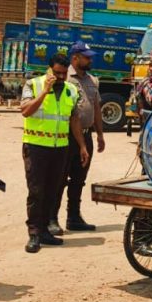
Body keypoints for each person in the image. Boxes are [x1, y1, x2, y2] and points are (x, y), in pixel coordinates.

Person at [21, 54, 89, 254]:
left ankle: (44, 231)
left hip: (60, 147)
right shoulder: (33, 85)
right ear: (48, 69)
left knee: (53, 190)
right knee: (36, 191)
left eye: (63, 73)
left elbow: (74, 119)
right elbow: (25, 111)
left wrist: (82, 146)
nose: (60, 77)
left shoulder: (71, 89)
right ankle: (33, 234)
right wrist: (44, 92)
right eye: (56, 72)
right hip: (35, 146)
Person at [51, 42, 105, 233]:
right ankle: (52, 219)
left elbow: (96, 108)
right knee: (59, 178)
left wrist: (100, 134)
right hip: (66, 137)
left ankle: (73, 217)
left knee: (79, 178)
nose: (90, 60)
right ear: (75, 58)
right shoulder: (64, 78)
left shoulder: (93, 80)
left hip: (86, 136)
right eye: (87, 57)